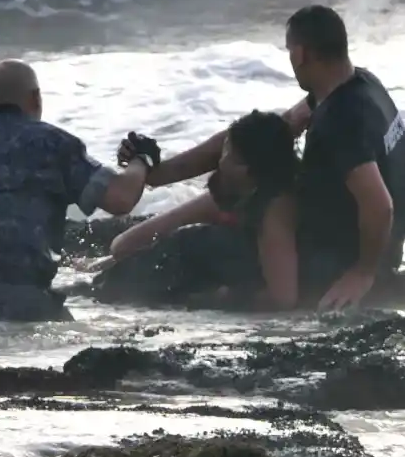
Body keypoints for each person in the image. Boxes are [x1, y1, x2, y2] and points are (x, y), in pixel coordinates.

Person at [120, 5, 405, 310]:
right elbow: (274, 129)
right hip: (379, 249)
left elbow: (380, 205)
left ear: (300, 54)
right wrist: (158, 173)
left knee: (194, 244)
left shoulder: (339, 122)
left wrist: (362, 273)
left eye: (289, 53)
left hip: (335, 262)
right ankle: (121, 254)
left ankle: (114, 284)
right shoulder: (357, 85)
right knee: (237, 184)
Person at [0, 59, 162, 323]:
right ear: (35, 98)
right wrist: (141, 160)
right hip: (13, 297)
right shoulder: (51, 143)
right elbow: (121, 199)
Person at [107, 110, 300, 310]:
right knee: (125, 247)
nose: (219, 162)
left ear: (246, 171)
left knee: (177, 245)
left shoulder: (274, 211)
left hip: (233, 265)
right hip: (231, 225)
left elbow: (283, 298)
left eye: (227, 154)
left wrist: (217, 298)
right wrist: (141, 158)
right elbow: (162, 176)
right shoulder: (242, 190)